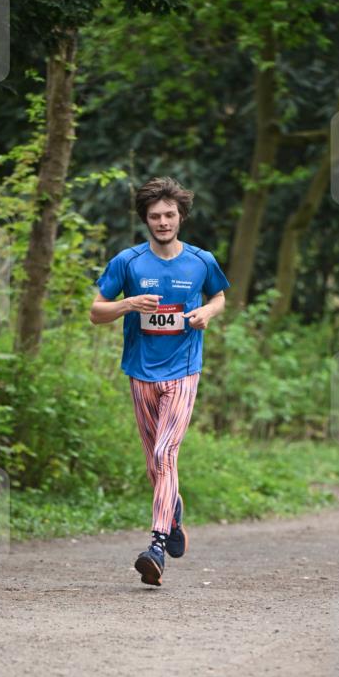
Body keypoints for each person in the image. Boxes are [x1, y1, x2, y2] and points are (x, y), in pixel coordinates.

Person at [90, 177, 229, 586]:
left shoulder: (201, 261)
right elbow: (96, 311)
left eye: (170, 215)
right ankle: (174, 510)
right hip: (140, 371)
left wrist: (208, 313)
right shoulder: (128, 263)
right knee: (155, 463)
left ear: (181, 217)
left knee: (166, 453)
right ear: (145, 220)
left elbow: (220, 296)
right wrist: (126, 305)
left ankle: (156, 546)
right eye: (155, 216)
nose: (163, 222)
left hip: (184, 370)